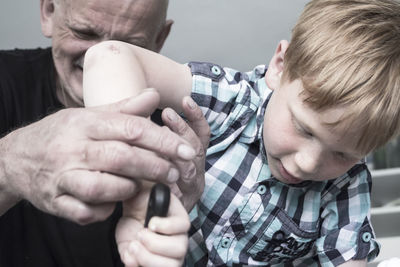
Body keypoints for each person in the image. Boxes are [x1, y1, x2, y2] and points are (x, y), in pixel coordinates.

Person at [83, 0, 400, 265]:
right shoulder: (233, 100)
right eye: (304, 129)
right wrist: (141, 200)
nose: (307, 163)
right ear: (280, 65)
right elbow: (108, 58)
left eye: (343, 154)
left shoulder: (347, 184)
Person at [0, 0, 209, 266]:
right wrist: (10, 163)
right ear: (48, 12)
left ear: (159, 40)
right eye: (84, 33)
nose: (100, 56)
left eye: (128, 45)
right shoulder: (5, 79)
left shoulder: (176, 132)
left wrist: (180, 222)